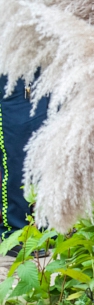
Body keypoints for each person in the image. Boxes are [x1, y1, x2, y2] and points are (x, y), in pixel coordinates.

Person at [0, 75, 49, 245]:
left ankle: (48, 228)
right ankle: (16, 233)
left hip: (45, 67)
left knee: (49, 151)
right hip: (10, 69)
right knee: (16, 155)